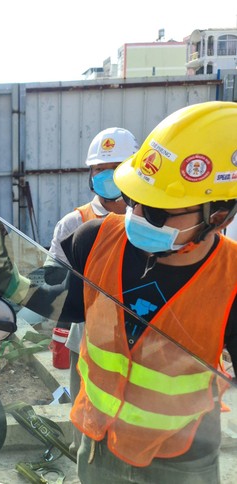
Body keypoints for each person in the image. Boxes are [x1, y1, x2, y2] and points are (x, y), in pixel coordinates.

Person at [28, 101, 237, 483]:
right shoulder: (94, 238)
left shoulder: (233, 277)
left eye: (158, 211)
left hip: (181, 459)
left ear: (218, 216)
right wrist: (4, 289)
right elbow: (68, 305)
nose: (137, 217)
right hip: (99, 447)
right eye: (135, 200)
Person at [43, 127, 139, 448]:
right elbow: (52, 284)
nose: (107, 176)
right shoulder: (75, 223)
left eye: (115, 168)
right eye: (99, 169)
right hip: (87, 342)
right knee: (86, 423)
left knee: (131, 425)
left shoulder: (147, 221)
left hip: (136, 345)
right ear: (90, 174)